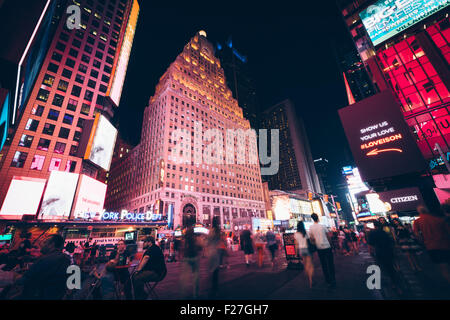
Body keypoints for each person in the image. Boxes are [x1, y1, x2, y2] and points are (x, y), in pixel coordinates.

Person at [11, 234, 70, 299]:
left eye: (45, 242)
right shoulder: (66, 259)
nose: (41, 245)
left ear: (52, 244)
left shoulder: (45, 259)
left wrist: (14, 276)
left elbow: (24, 280)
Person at [413, 206, 450, 284]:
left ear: (419, 212)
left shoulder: (418, 221)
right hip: (446, 244)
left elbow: (417, 235)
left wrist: (422, 242)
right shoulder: (439, 219)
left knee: (443, 268)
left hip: (432, 246)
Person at [368, 219, 403, 294]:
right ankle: (396, 283)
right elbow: (389, 240)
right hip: (388, 250)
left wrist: (371, 252)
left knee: (385, 268)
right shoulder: (383, 231)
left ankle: (394, 284)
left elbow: (370, 244)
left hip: (380, 252)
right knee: (391, 267)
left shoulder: (372, 233)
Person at [309, 213, 336, 288]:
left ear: (312, 219)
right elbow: (328, 237)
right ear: (318, 218)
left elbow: (311, 240)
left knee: (323, 264)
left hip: (319, 248)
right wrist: (331, 245)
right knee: (330, 263)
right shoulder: (323, 226)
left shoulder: (311, 228)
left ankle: (327, 280)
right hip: (327, 247)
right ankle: (333, 279)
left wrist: (316, 242)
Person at [180, 217, 202, 298]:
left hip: (186, 257)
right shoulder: (194, 233)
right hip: (194, 256)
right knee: (196, 275)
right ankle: (195, 294)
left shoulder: (185, 234)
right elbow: (199, 245)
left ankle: (183, 292)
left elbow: (182, 246)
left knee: (184, 277)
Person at [294, 221, 314, 288]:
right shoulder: (306, 232)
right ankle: (311, 280)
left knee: (305, 264)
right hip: (307, 248)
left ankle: (306, 271)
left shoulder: (296, 234)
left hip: (301, 250)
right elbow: (310, 241)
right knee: (310, 265)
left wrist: (296, 253)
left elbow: (296, 244)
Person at [206, 216, 221, 298]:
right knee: (215, 272)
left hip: (211, 252)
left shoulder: (211, 231)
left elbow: (207, 242)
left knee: (212, 271)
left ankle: (212, 290)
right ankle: (215, 289)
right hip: (216, 252)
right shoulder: (218, 231)